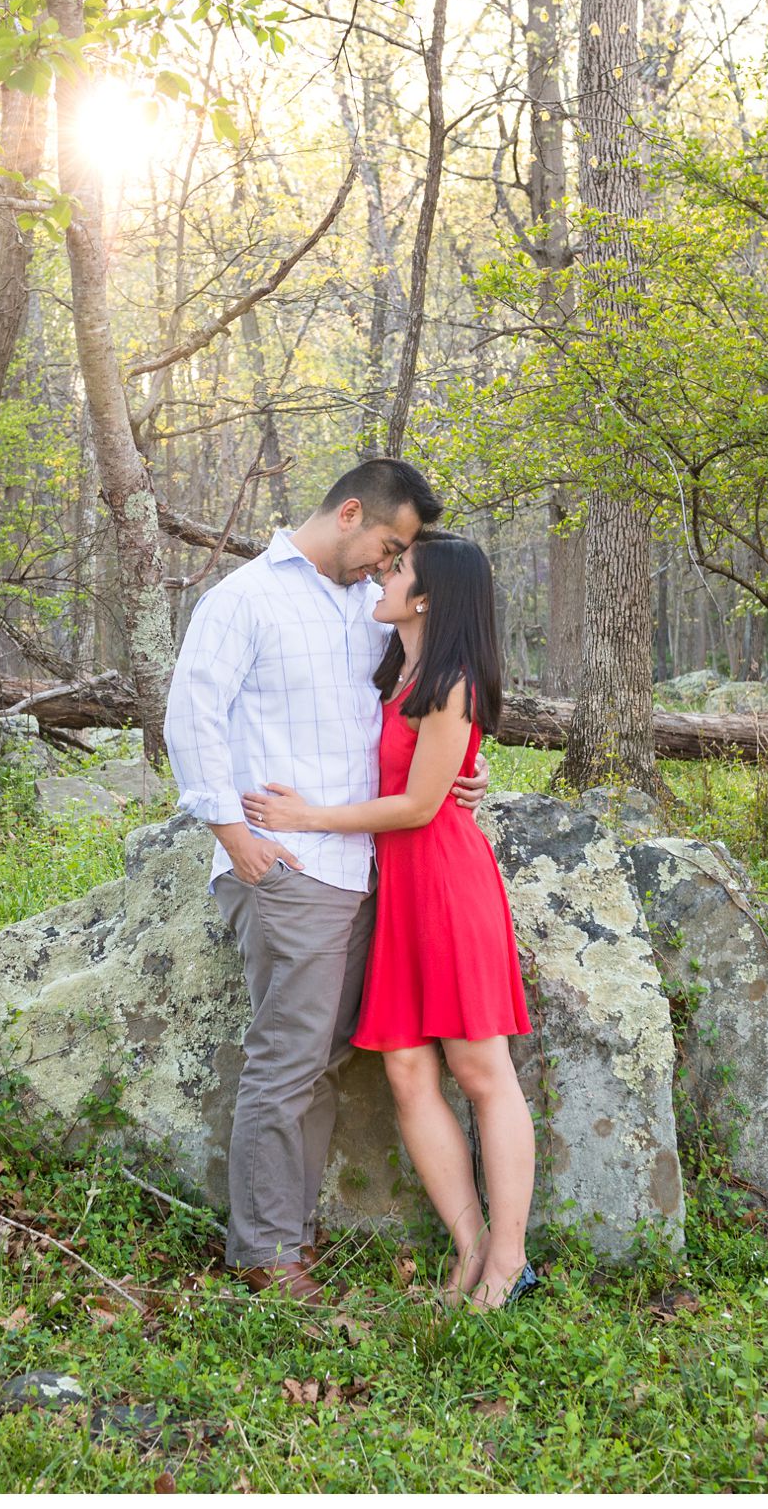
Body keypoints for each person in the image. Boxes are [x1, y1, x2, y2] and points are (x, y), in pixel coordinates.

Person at [163, 457, 489, 1307]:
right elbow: (189, 718)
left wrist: (456, 777)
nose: (390, 565)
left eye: (400, 557)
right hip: (291, 870)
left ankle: (292, 1232)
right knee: (286, 1060)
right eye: (388, 544)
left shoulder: (370, 609)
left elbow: (422, 705)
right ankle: (267, 1252)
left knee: (320, 1059)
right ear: (350, 513)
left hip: (372, 872)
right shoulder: (244, 600)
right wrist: (236, 840)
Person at [242, 535, 537, 1312]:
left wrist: (309, 817)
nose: (382, 572)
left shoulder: (453, 682)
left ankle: (509, 1263)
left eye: (397, 568)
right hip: (396, 891)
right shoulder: (390, 666)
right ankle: (469, 1245)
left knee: (481, 1073)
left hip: (447, 886)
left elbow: (417, 805)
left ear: (429, 597)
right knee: (408, 1071)